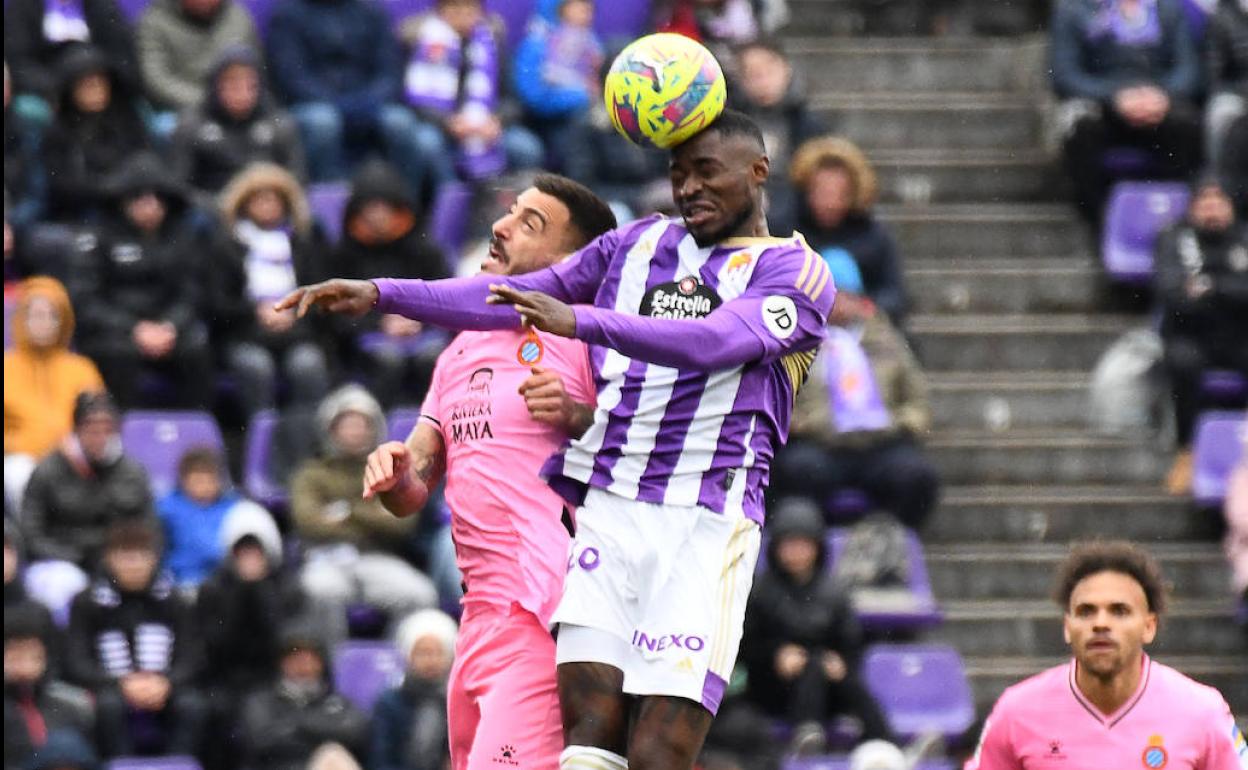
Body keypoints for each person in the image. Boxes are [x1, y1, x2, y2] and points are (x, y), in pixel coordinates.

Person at [278, 108, 837, 770]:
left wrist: (581, 330)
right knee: (587, 749)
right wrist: (380, 293)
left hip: (701, 525)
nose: (688, 189)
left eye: (706, 172)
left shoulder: (795, 271)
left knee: (658, 756)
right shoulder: (636, 247)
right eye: (677, 174)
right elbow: (501, 298)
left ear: (759, 171)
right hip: (606, 522)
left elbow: (716, 342)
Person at [360, 172, 614, 770]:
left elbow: (646, 451)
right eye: (511, 213)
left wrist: (581, 415)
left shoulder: (586, 339)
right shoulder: (460, 349)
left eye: (531, 224)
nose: (501, 227)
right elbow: (415, 484)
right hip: (475, 620)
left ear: (572, 263)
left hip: (542, 613)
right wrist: (397, 471)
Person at [966, 540, 1247, 769]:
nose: (1101, 623)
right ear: (1067, 627)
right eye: (1086, 611)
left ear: (1149, 626)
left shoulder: (1202, 710)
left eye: (1119, 611)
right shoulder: (1016, 711)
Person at [771, 253, 937, 529]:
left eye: (845, 295)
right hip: (820, 445)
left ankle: (885, 539)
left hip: (880, 445)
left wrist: (906, 422)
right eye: (830, 296)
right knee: (793, 473)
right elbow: (778, 397)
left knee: (915, 478)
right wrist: (803, 423)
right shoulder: (795, 340)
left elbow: (916, 396)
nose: (838, 304)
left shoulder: (886, 338)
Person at [739, 498, 892, 754]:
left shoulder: (834, 591)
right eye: (789, 544)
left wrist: (841, 664)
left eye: (803, 544)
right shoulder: (760, 591)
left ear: (817, 547)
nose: (796, 552)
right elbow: (746, 645)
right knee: (811, 664)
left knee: (839, 675)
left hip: (826, 685)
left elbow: (850, 642)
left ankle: (887, 742)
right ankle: (806, 734)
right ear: (776, 547)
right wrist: (775, 656)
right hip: (773, 688)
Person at [291, 384, 438, 639]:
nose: (355, 431)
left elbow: (402, 522)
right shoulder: (311, 474)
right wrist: (372, 514)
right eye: (347, 424)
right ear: (331, 429)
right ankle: (332, 670)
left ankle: (398, 670)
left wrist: (347, 511)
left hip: (377, 558)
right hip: (325, 558)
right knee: (320, 591)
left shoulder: (392, 470)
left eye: (362, 424)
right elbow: (307, 521)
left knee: (419, 594)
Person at [69, 152, 213, 410]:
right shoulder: (99, 236)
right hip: (117, 332)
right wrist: (134, 328)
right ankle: (125, 429)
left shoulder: (181, 236)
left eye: (157, 197)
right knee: (117, 354)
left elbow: (191, 292)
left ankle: (195, 430)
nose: (149, 204)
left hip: (168, 328)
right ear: (123, 200)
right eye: (139, 197)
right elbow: (86, 299)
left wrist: (171, 325)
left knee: (197, 349)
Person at [1049, 0, 1203, 228]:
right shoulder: (1074, 9)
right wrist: (1114, 96)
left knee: (1187, 125)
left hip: (1158, 103)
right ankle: (1100, 221)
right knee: (1080, 126)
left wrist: (1163, 96)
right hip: (1101, 103)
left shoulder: (1170, 9)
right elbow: (1065, 75)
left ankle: (1171, 222)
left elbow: (1189, 69)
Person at [64, 520, 208, 759]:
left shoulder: (174, 600)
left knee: (192, 705)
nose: (133, 565)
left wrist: (166, 682)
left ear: (154, 559)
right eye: (125, 557)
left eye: (141, 556)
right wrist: (121, 683)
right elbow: (77, 661)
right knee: (108, 707)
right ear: (109, 559)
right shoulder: (87, 602)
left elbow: (191, 656)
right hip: (111, 687)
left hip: (165, 685)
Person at [210, 161, 331, 418]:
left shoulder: (305, 241)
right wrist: (256, 312)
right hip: (245, 334)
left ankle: (311, 441)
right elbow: (216, 302)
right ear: (243, 203)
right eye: (258, 199)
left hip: (298, 332)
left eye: (272, 199)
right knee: (256, 367)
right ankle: (262, 440)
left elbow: (325, 294)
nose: (266, 206)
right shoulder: (226, 245)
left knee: (307, 365)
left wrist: (293, 311)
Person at [265, 0, 429, 187]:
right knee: (322, 122)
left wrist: (369, 101)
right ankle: (328, 201)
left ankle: (405, 201)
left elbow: (390, 71)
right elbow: (291, 77)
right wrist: (338, 105)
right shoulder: (288, 14)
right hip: (313, 104)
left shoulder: (372, 12)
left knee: (400, 123)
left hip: (369, 103)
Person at [1153, 178, 1248, 495]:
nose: (1212, 210)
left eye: (1219, 201)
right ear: (1192, 208)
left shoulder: (1243, 239)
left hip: (1237, 335)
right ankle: (1187, 450)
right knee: (1182, 363)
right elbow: (1172, 294)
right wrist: (1228, 291)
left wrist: (1210, 288)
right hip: (1191, 335)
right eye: (1204, 202)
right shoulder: (1174, 239)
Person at [21, 393, 154, 616]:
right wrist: (74, 555)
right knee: (63, 586)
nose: (99, 437)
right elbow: (31, 534)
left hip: (118, 559)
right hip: (62, 560)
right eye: (92, 429)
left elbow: (150, 528)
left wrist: (128, 559)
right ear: (76, 430)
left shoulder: (132, 472)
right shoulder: (48, 470)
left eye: (107, 430)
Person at [328, 161, 447, 408]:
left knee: (434, 358)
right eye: (371, 207)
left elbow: (446, 298)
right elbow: (334, 315)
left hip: (422, 333)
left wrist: (419, 320)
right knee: (388, 361)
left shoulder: (424, 249)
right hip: (367, 337)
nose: (378, 215)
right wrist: (380, 324)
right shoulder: (342, 254)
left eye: (384, 207)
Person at [396, 0, 545, 188]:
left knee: (525, 147)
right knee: (426, 142)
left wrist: (497, 121)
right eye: (455, 8)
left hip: (486, 125)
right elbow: (413, 97)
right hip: (440, 124)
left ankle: (512, 206)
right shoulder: (422, 39)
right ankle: (451, 202)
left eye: (469, 9)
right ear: (441, 11)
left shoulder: (492, 43)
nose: (463, 15)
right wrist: (447, 123)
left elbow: (512, 98)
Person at [3, 276, 105, 510]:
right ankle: (32, 542)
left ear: (64, 321)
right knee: (19, 473)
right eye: (36, 315)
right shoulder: (6, 367)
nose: (44, 322)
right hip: (22, 459)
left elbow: (98, 418)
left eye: (52, 315)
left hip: (75, 458)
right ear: (22, 319)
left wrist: (78, 446)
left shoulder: (81, 368)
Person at [790, 136, 908, 325]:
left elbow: (895, 296)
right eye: (822, 192)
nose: (830, 203)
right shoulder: (786, 233)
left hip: (861, 330)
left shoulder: (874, 236)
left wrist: (859, 306)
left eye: (839, 194)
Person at [170, 47, 306, 200]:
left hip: (268, 209)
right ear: (216, 86)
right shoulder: (191, 125)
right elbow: (180, 187)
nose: (242, 93)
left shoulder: (279, 124)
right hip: (211, 210)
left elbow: (296, 182)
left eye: (250, 85)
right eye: (232, 85)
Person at [40, 46, 149, 223]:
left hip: (130, 204)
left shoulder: (128, 119)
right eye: (86, 82)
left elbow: (144, 162)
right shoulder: (58, 131)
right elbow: (61, 186)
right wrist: (107, 189)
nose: (95, 87)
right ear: (70, 89)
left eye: (100, 80)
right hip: (82, 213)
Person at [239, 625, 369, 770]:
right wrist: (321, 728)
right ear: (282, 663)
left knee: (333, 754)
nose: (303, 666)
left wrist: (296, 726)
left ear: (321, 663)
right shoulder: (262, 701)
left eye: (309, 659)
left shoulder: (338, 702)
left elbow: (355, 733)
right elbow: (261, 739)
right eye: (295, 659)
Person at [731, 39, 826, 237]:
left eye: (769, 70)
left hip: (797, 208)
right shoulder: (729, 124)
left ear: (786, 69)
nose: (763, 80)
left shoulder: (808, 123)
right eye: (753, 74)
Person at [135, 0, 258, 135]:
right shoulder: (154, 21)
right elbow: (156, 80)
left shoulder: (238, 16)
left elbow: (255, 69)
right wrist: (211, 102)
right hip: (178, 109)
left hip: (237, 102)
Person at [513, 0, 604, 169]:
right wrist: (583, 96)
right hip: (551, 124)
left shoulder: (591, 43)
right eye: (579, 6)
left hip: (586, 117)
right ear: (560, 8)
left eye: (589, 7)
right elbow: (534, 97)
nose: (587, 12)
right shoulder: (537, 44)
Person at [3, 605, 94, 769]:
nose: (24, 663)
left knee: (66, 745)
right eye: (15, 654)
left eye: (32, 654)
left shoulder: (71, 706)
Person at [3, 0, 136, 111]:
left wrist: (101, 81)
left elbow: (120, 53)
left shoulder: (102, 6)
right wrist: (61, 88)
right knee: (29, 111)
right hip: (46, 92)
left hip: (101, 86)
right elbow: (19, 61)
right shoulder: (24, 6)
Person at [370, 609, 459, 770]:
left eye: (438, 653)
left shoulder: (456, 703)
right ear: (409, 656)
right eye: (423, 653)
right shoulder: (389, 702)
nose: (431, 661)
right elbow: (380, 759)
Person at [157, 447, 243, 589]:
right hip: (182, 583)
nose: (204, 485)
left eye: (209, 478)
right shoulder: (166, 508)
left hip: (226, 583)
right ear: (184, 480)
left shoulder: (235, 508)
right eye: (198, 479)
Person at [1205, 0, 1248, 168]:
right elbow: (1215, 76)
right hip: (1239, 92)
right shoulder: (1224, 14)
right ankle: (1220, 185)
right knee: (1222, 111)